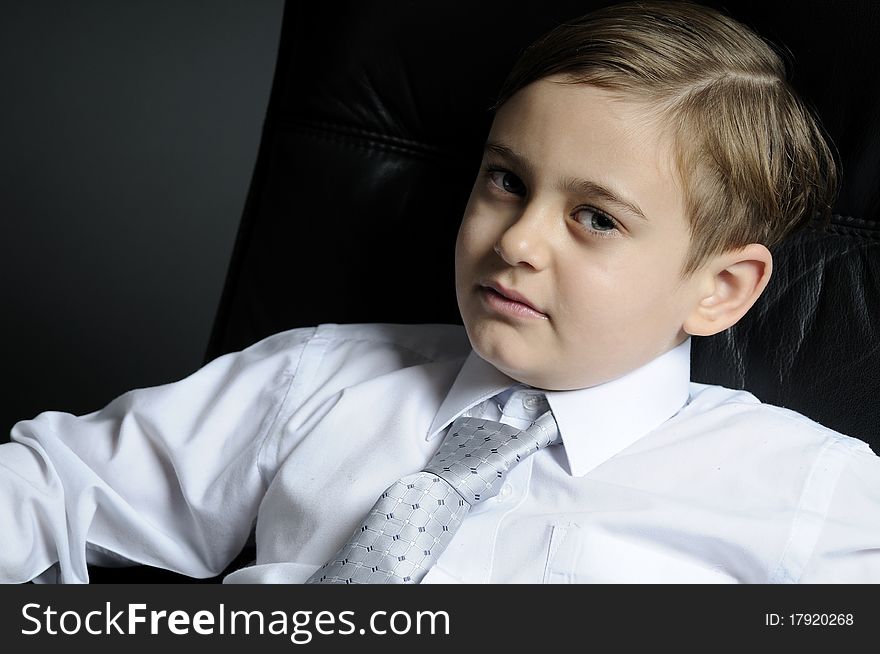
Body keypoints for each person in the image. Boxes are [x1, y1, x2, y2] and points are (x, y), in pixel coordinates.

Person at [2, 0, 878, 584]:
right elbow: (50, 483)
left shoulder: (811, 492)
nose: (517, 240)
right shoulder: (314, 376)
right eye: (505, 180)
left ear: (722, 290)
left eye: (596, 219)